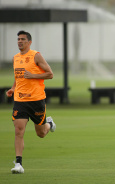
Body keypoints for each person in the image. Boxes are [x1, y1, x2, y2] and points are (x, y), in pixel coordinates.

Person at [6, 30, 56, 174]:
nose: (19, 41)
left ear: (29, 42)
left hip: (36, 100)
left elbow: (50, 74)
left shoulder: (36, 56)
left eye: (22, 39)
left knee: (40, 133)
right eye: (18, 39)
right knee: (18, 130)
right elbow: (18, 76)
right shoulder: (15, 58)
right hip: (20, 100)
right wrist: (13, 88)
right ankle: (18, 164)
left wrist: (33, 75)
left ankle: (49, 124)